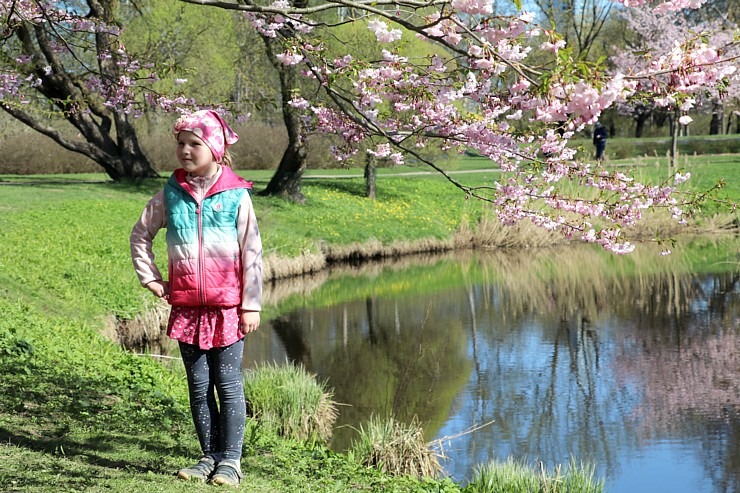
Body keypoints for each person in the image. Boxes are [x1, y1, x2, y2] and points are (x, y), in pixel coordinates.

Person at [130, 110, 263, 487]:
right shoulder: (170, 194)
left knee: (229, 384)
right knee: (199, 385)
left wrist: (251, 303)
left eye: (195, 144)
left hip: (228, 308)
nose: (185, 150)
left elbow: (252, 252)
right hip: (187, 306)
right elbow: (140, 235)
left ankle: (231, 462)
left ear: (215, 148)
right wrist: (151, 279)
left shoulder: (236, 194)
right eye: (181, 143)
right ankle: (209, 456)